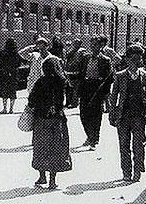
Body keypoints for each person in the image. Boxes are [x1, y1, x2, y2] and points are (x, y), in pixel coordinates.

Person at [109, 44, 146, 182]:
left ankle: (137, 170)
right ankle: (126, 172)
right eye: (133, 59)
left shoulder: (145, 76)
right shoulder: (120, 76)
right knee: (124, 144)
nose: (136, 62)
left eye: (138, 59)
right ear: (127, 60)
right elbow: (113, 96)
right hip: (123, 116)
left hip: (139, 116)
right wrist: (112, 114)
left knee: (139, 144)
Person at [28, 57, 72, 189]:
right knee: (56, 148)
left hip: (41, 120)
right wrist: (63, 105)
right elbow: (71, 97)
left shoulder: (40, 82)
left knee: (41, 147)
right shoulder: (62, 81)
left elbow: (31, 100)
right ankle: (52, 181)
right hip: (57, 120)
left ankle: (42, 177)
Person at [78, 35, 114, 150]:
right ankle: (89, 135)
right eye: (92, 45)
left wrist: (105, 95)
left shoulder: (105, 60)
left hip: (97, 89)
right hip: (85, 88)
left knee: (96, 115)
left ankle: (94, 139)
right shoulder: (85, 58)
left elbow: (109, 79)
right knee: (83, 114)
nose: (93, 47)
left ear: (100, 46)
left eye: (96, 45)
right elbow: (80, 74)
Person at [0, 39, 21, 114]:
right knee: (13, 92)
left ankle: (4, 109)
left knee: (4, 92)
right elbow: (19, 64)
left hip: (5, 74)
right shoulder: (16, 53)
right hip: (14, 74)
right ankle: (11, 109)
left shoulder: (3, 52)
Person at [64, 39, 87, 108]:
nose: (76, 45)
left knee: (76, 89)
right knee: (69, 88)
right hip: (69, 72)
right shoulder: (71, 51)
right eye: (75, 43)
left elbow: (83, 61)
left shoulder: (82, 51)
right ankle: (68, 102)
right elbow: (66, 57)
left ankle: (74, 103)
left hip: (78, 72)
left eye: (77, 43)